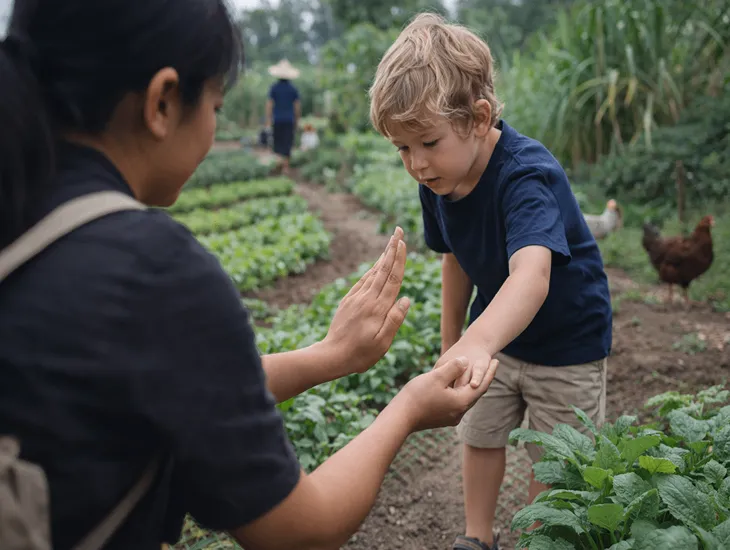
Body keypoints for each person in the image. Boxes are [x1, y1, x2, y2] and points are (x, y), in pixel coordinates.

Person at [0, 3, 500, 550]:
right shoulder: (151, 272)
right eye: (215, 104)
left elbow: (176, 378)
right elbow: (297, 530)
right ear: (163, 101)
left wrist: (330, 356)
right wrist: (407, 408)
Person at [368, 13, 612, 550]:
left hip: (568, 340)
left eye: (427, 142)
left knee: (556, 455)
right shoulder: (438, 180)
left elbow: (532, 275)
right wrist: (452, 340)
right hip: (494, 337)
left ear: (479, 119)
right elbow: (454, 258)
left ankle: (541, 537)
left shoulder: (526, 175)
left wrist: (477, 339)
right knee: (479, 435)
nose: (415, 163)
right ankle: (476, 537)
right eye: (402, 148)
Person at [265, 59, 301, 174]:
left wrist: (269, 119)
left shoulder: (274, 88)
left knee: (278, 141)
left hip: (277, 119)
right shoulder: (293, 89)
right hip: (289, 119)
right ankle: (285, 167)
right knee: (287, 142)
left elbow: (269, 104)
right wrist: (297, 120)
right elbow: (297, 106)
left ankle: (279, 164)